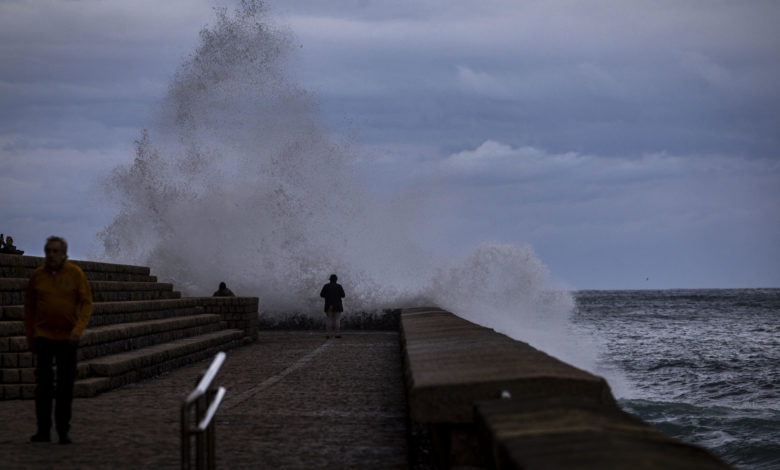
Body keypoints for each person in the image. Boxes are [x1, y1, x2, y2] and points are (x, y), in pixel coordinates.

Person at [24, 236, 93, 444]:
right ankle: (43, 430)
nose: (52, 255)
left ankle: (63, 429)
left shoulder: (75, 274)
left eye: (56, 251)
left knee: (65, 386)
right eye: (49, 251)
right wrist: (31, 338)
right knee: (43, 386)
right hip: (43, 337)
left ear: (64, 254)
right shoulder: (38, 276)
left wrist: (78, 330)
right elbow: (29, 309)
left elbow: (86, 304)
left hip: (67, 339)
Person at [320, 274, 345, 339]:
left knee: (329, 320)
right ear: (336, 280)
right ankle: (337, 334)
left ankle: (328, 334)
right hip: (337, 305)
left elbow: (321, 295)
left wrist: (328, 296)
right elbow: (343, 295)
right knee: (337, 320)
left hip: (328, 305)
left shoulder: (326, 286)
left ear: (330, 279)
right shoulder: (339, 286)